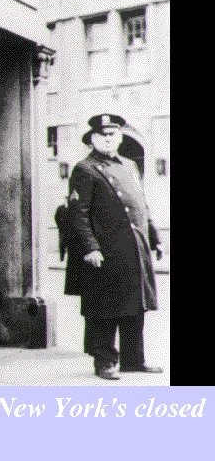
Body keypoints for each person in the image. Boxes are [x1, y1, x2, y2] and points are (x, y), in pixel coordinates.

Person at [64, 114, 164, 380]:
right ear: (92, 140)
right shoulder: (85, 169)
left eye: (113, 135)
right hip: (105, 251)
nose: (108, 139)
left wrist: (155, 237)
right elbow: (79, 213)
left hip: (134, 247)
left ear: (120, 137)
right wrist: (90, 248)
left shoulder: (130, 165)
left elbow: (141, 205)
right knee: (103, 308)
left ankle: (134, 360)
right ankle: (105, 361)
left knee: (135, 305)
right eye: (103, 135)